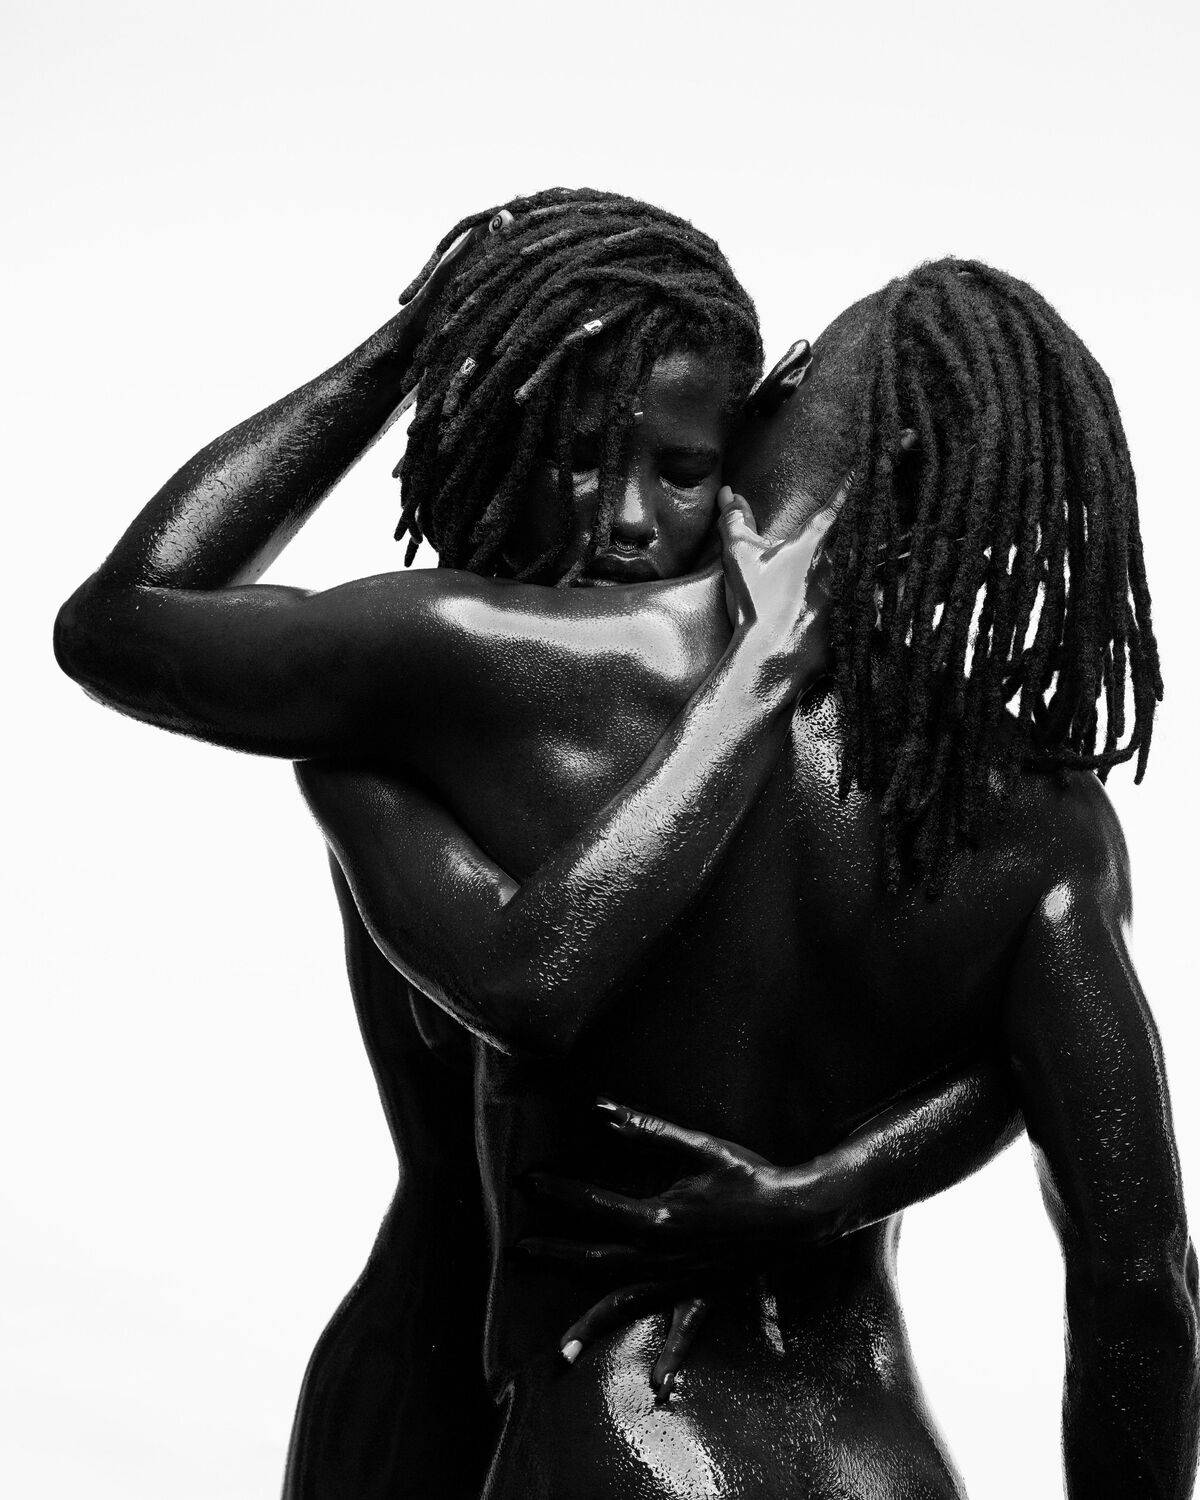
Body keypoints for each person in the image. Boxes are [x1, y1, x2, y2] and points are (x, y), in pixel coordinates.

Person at [54, 186, 1195, 1495]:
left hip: (611, 1424)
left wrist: (419, 337)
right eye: (593, 457)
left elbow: (124, 622)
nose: (632, 517)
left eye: (682, 467)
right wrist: (837, 1185)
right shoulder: (1036, 818)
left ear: (768, 407)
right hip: (880, 1458)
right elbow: (1137, 1272)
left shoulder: (470, 671)